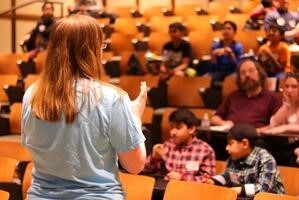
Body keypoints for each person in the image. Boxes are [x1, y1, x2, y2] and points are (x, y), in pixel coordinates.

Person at [21, 14, 147, 199]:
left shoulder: (32, 94)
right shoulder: (111, 98)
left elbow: (33, 146)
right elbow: (135, 166)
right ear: (91, 50)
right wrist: (135, 116)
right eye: (101, 46)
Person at [204, 124, 285, 199]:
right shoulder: (233, 158)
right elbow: (228, 176)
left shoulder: (266, 159)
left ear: (244, 143)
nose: (227, 148)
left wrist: (239, 190)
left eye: (231, 144)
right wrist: (213, 181)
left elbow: (264, 189)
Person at [142, 108, 216, 182]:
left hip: (191, 191)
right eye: (171, 127)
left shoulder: (205, 150)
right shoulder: (167, 146)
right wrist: (154, 158)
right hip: (166, 190)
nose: (172, 132)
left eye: (178, 128)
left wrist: (182, 178)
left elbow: (208, 180)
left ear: (191, 129)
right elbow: (144, 170)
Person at [211, 58, 282, 132]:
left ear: (259, 73)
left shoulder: (272, 98)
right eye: (243, 72)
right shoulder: (233, 96)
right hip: (229, 138)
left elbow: (278, 125)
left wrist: (256, 132)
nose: (247, 75)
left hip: (257, 140)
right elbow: (214, 118)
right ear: (239, 78)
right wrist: (224, 123)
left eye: (251, 70)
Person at [261, 73, 299, 166]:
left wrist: (286, 128)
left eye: (294, 87)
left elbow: (280, 128)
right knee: (262, 145)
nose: (289, 90)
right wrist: (287, 105)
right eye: (286, 86)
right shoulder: (284, 104)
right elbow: (274, 124)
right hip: (285, 144)